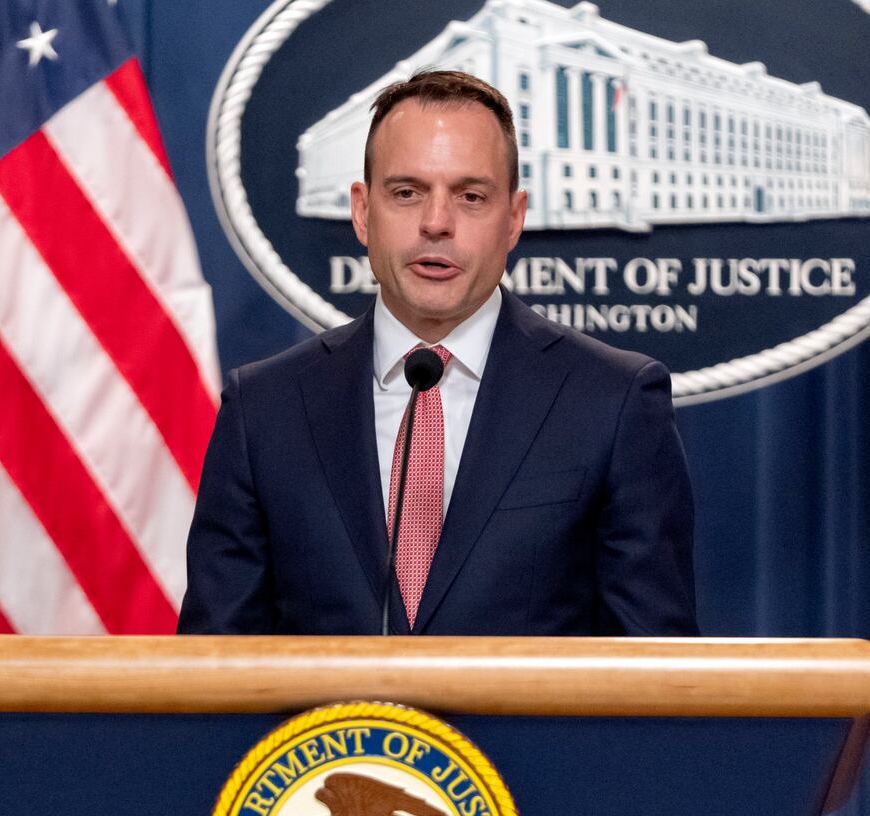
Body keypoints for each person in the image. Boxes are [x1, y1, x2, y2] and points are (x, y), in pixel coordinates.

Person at [179, 70, 696, 637]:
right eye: (407, 193)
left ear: (515, 218)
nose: (436, 223)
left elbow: (654, 679)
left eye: (471, 197)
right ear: (362, 211)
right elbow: (214, 675)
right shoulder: (264, 409)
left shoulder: (613, 402)